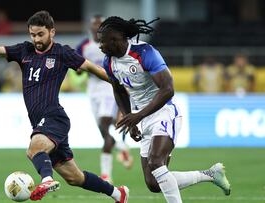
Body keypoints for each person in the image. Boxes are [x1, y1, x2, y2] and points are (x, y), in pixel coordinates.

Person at [0, 10, 128, 203]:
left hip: (54, 117)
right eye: (33, 34)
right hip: (41, 123)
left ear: (52, 32)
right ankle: (118, 194)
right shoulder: (24, 50)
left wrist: (119, 82)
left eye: (40, 34)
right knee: (75, 178)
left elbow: (92, 68)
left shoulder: (62, 53)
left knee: (34, 150)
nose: (36, 39)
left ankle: (47, 179)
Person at [97, 16, 231, 203]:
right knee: (153, 183)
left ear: (116, 39)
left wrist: (138, 115)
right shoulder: (108, 62)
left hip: (164, 112)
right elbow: (118, 89)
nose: (100, 46)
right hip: (141, 118)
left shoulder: (145, 52)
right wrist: (130, 118)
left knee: (156, 162)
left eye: (102, 41)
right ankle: (210, 174)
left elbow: (168, 89)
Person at [75, 15, 133, 182]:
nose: (96, 28)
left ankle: (106, 175)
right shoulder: (84, 46)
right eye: (95, 25)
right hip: (92, 90)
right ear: (91, 28)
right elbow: (77, 68)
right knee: (104, 132)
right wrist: (81, 69)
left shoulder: (110, 44)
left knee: (104, 123)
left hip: (109, 87)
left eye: (100, 25)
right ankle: (121, 147)